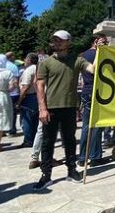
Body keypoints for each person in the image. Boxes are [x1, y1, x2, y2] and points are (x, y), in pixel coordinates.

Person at [33, 30, 94, 191]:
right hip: (51, 108)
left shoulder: (77, 60)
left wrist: (101, 51)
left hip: (69, 107)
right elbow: (39, 85)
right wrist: (42, 108)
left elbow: (93, 69)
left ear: (69, 42)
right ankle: (46, 175)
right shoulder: (45, 62)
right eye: (55, 40)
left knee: (69, 140)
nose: (57, 43)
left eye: (60, 40)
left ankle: (71, 170)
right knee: (48, 143)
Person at [79, 35, 107, 165]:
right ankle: (95, 156)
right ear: (96, 41)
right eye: (104, 41)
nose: (106, 44)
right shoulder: (99, 54)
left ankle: (82, 156)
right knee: (96, 125)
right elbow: (94, 71)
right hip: (96, 92)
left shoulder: (82, 55)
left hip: (85, 92)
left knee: (85, 126)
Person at [16, 53, 39, 149]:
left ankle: (28, 140)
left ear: (29, 60)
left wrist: (19, 100)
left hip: (29, 97)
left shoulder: (29, 70)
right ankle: (34, 139)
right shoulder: (38, 68)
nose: (24, 60)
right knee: (35, 121)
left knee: (27, 120)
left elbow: (25, 86)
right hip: (37, 96)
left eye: (25, 59)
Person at [4, 52, 20, 136]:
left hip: (2, 92)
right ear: (11, 57)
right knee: (13, 112)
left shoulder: (0, 66)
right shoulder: (13, 66)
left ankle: (2, 130)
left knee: (3, 112)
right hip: (13, 93)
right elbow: (16, 80)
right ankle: (12, 129)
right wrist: (19, 91)